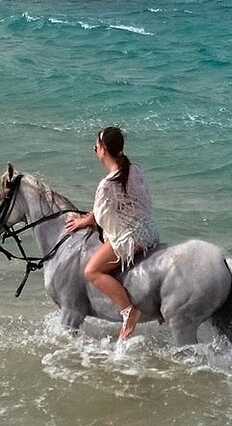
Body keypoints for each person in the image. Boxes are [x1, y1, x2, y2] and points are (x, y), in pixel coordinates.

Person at [65, 126, 159, 340]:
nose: (95, 150)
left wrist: (83, 221)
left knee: (91, 271)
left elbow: (99, 217)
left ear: (103, 150)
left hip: (132, 237)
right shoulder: (135, 169)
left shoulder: (107, 184)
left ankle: (129, 311)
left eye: (95, 147)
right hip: (150, 231)